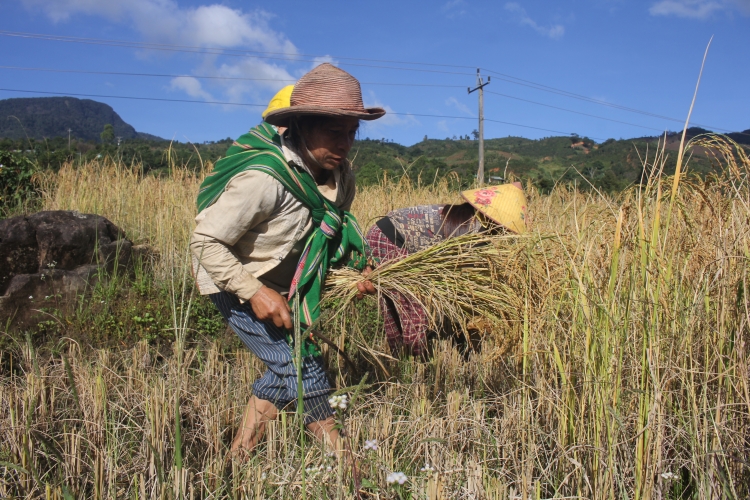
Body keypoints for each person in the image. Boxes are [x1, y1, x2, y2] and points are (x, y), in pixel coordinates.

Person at [190, 63, 384, 456]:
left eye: (352, 132)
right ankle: (351, 472)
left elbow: (329, 237)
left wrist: (353, 274)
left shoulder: (341, 177)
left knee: (286, 368)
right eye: (334, 131)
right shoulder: (265, 180)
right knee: (302, 367)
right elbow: (206, 242)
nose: (346, 143)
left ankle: (237, 457)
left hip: (286, 285)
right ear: (299, 125)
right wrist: (256, 292)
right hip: (235, 276)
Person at [365, 182, 528, 355]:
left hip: (385, 235)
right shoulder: (472, 228)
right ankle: (417, 362)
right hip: (388, 238)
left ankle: (400, 359)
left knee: (398, 304)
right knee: (413, 308)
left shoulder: (468, 218)